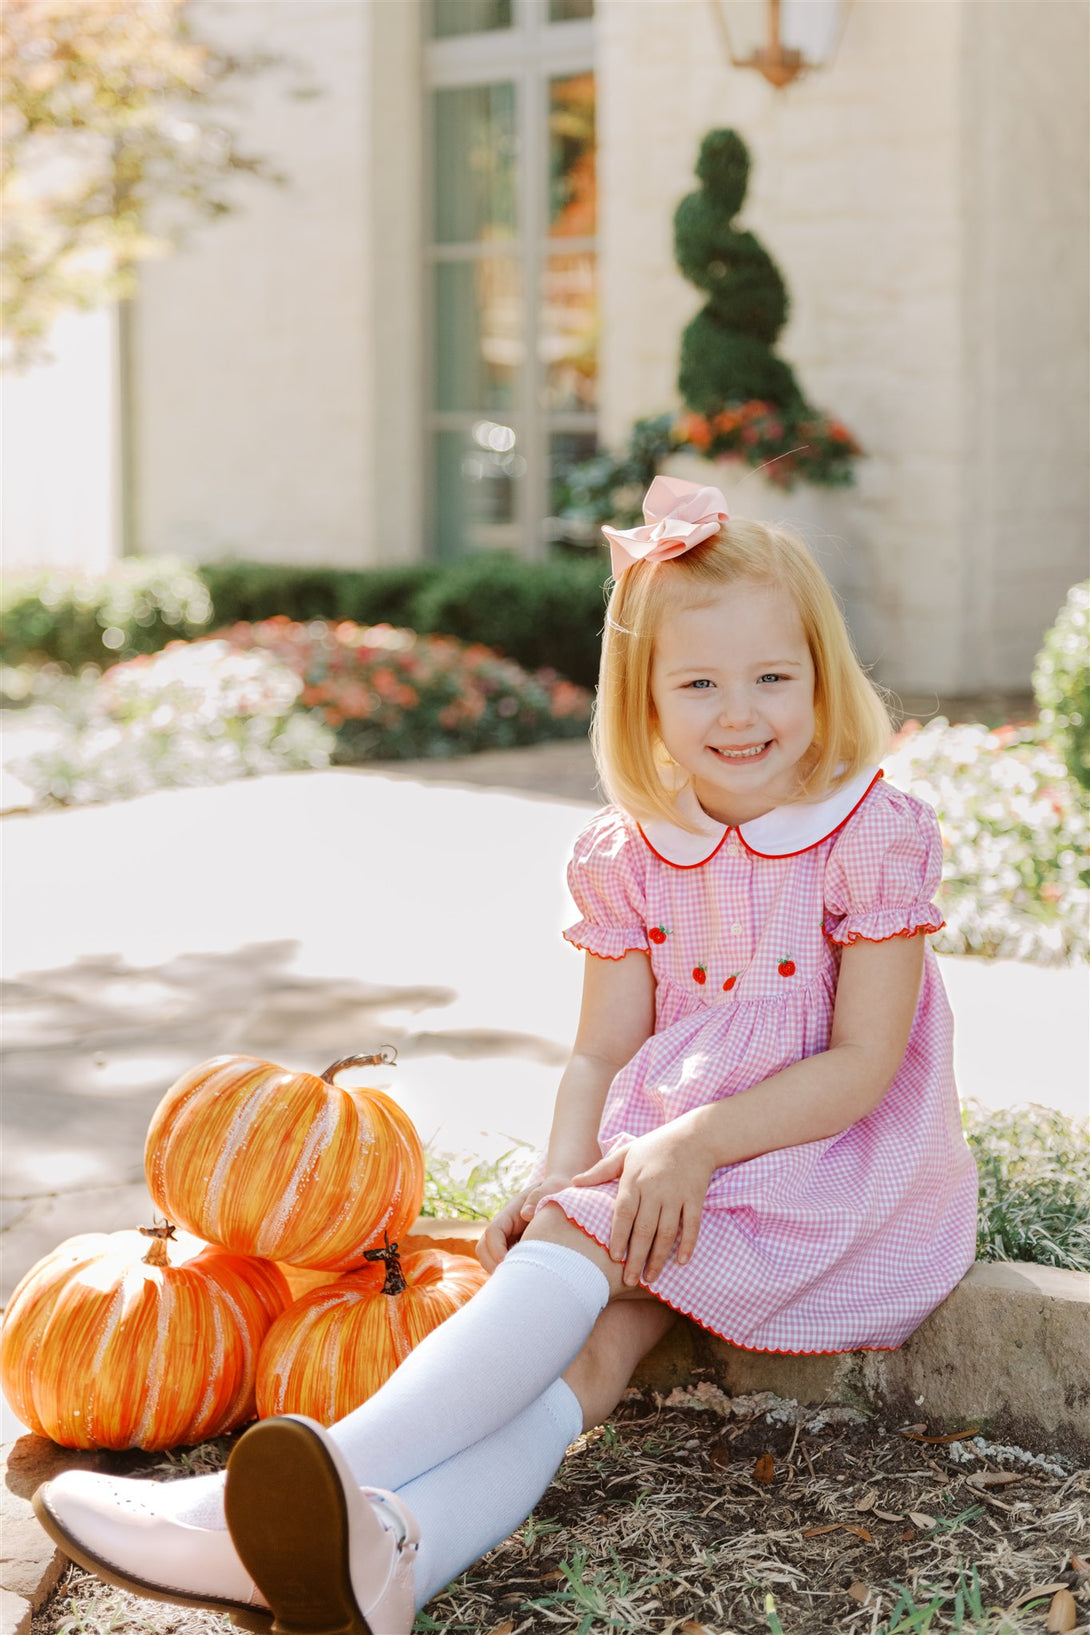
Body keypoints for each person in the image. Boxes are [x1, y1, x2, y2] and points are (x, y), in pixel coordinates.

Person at [33, 475, 978, 1635]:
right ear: (643, 702)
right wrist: (558, 1169)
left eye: (772, 678)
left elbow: (864, 1064)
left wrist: (685, 1144)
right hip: (678, 1166)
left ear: (822, 678)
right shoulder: (630, 852)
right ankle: (393, 1560)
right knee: (586, 1357)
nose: (740, 714)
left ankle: (265, 1498)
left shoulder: (867, 832)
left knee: (591, 1232)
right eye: (699, 684)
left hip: (822, 1161)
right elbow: (600, 1052)